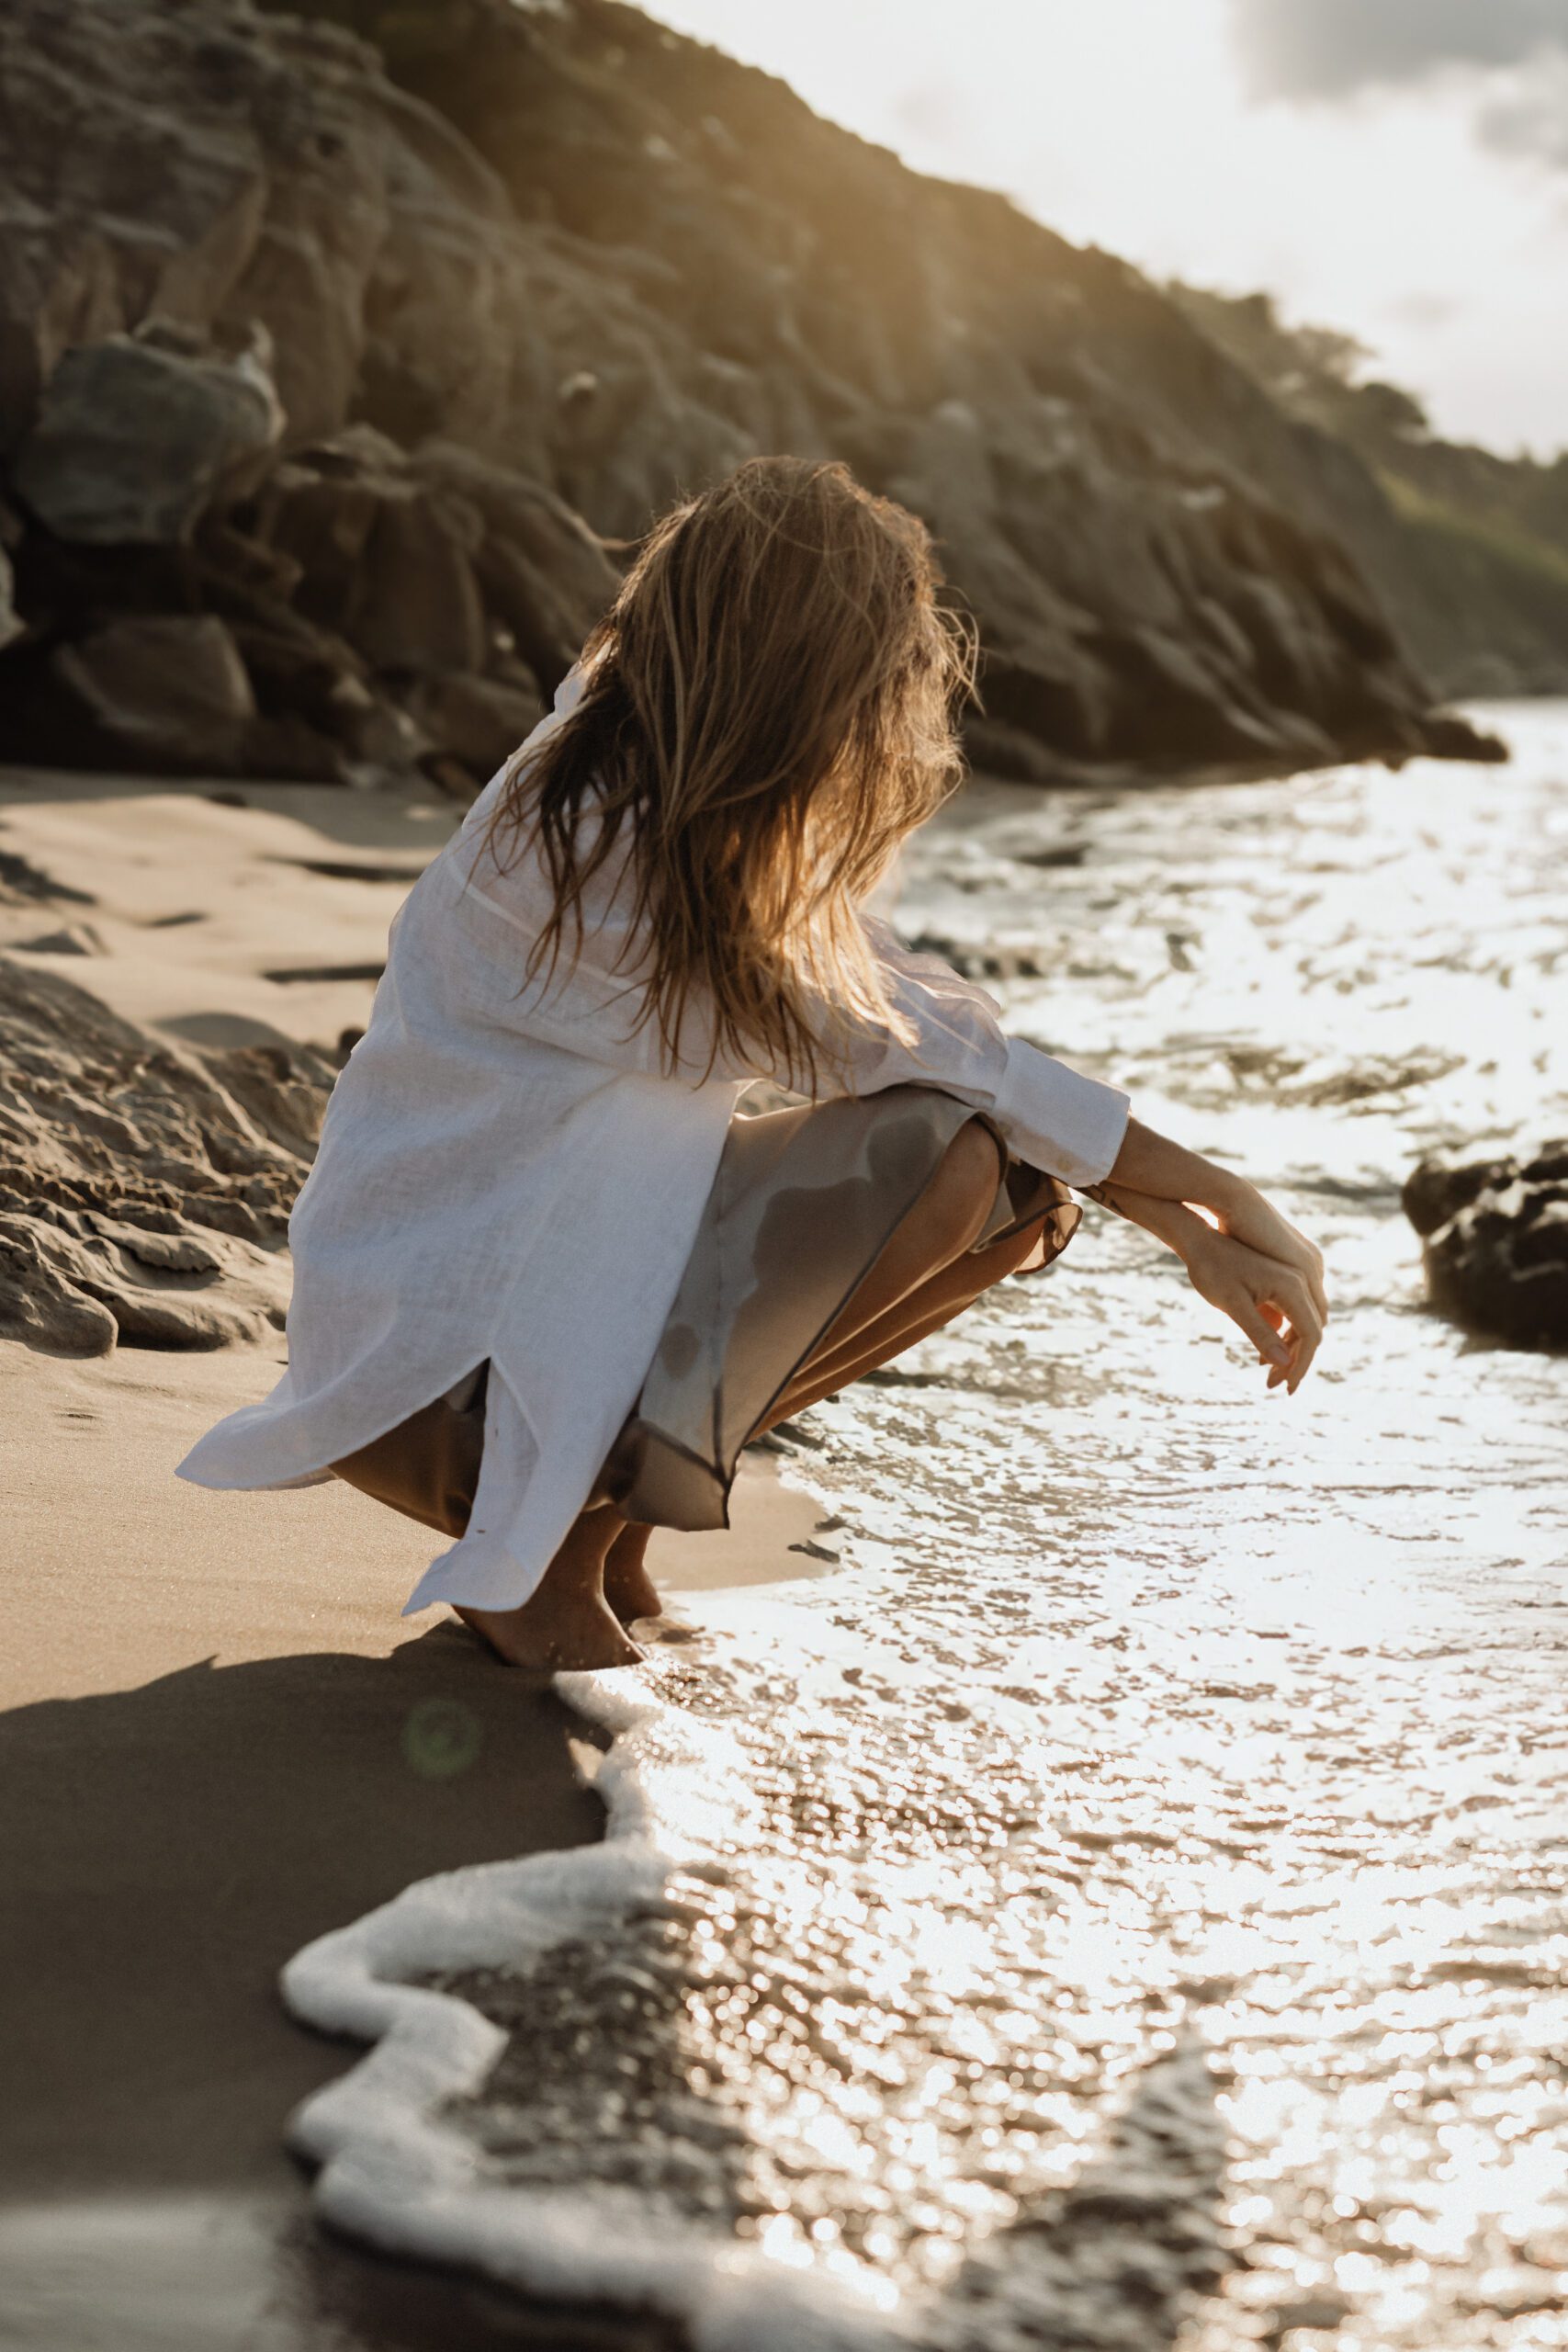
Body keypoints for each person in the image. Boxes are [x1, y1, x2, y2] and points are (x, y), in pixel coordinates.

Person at [177, 458, 1326, 1671]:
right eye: (880, 661)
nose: (901, 690)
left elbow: (899, 1000)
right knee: (938, 1154)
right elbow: (887, 1037)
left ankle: (613, 1519)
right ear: (796, 671)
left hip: (511, 1314)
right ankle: (543, 1558)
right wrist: (1209, 1202)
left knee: (1017, 1198)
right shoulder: (586, 844)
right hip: (433, 1372)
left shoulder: (647, 788)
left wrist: (1175, 1210)